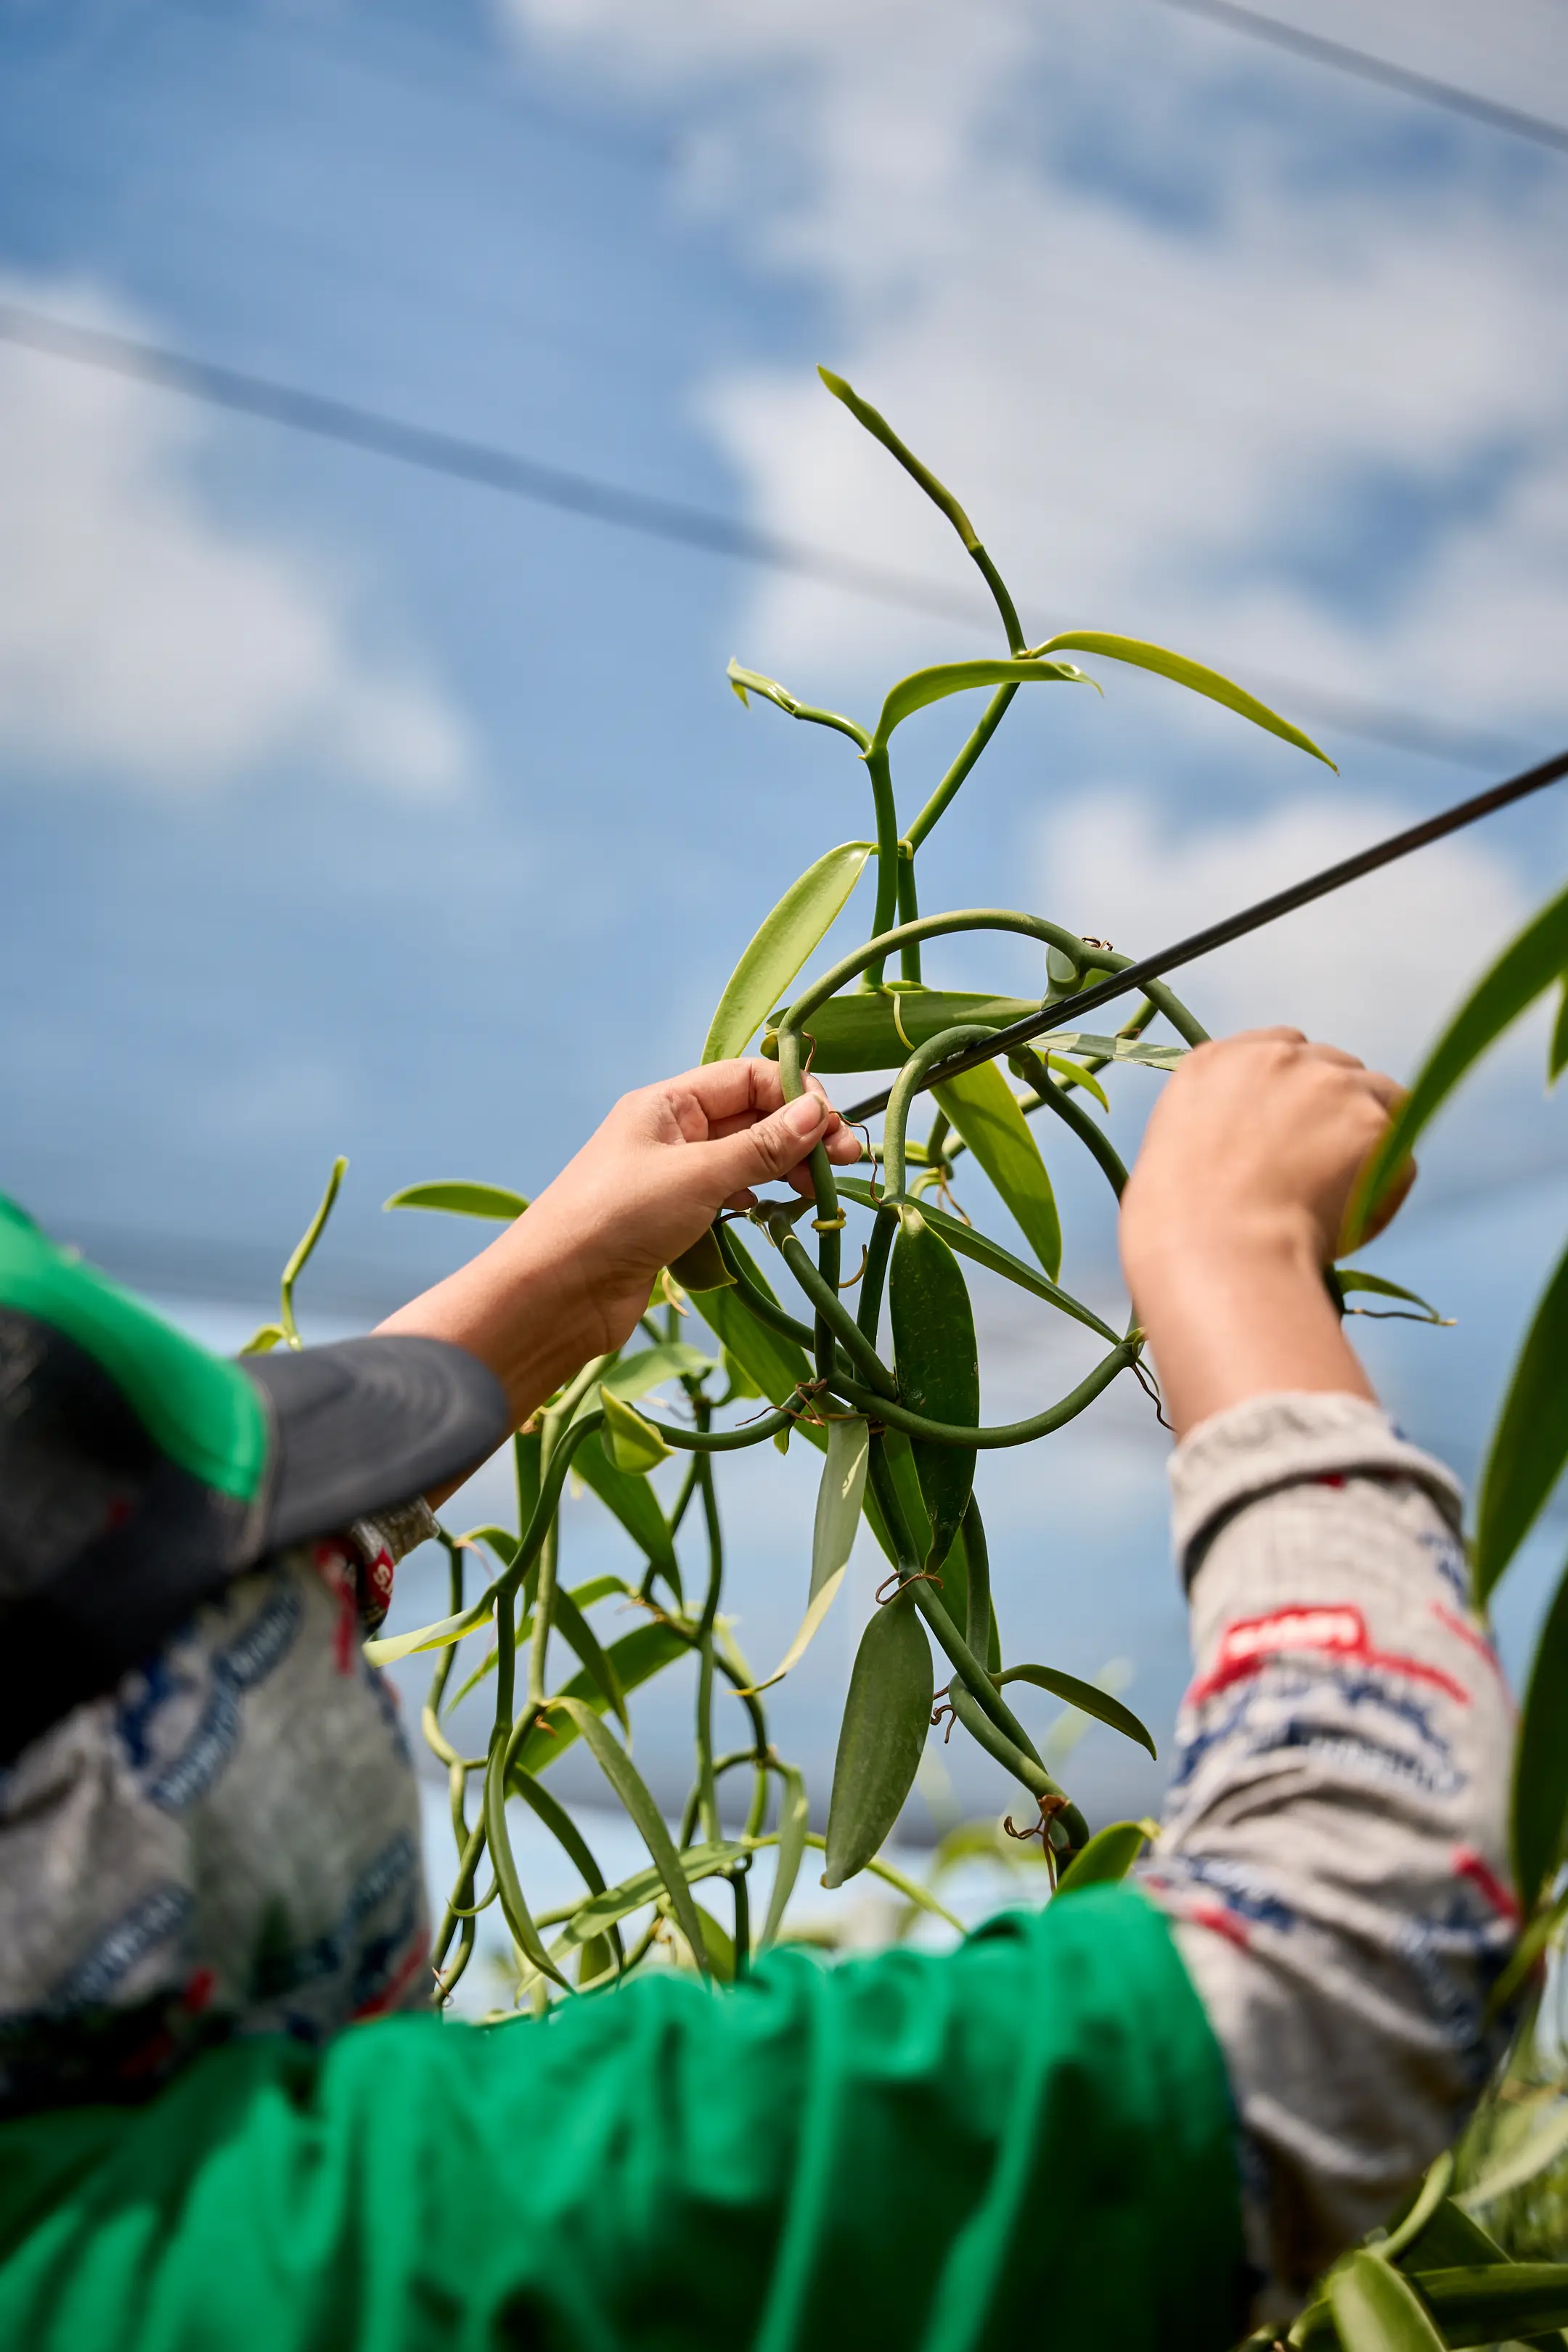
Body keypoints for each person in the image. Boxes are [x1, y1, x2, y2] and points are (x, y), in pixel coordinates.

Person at [0, 1035, 1514, 2348]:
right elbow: (1347, 1963)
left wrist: (554, 1286)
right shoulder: (310, 2271)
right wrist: (1227, 1259)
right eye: (248, 1603)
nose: (324, 1595)